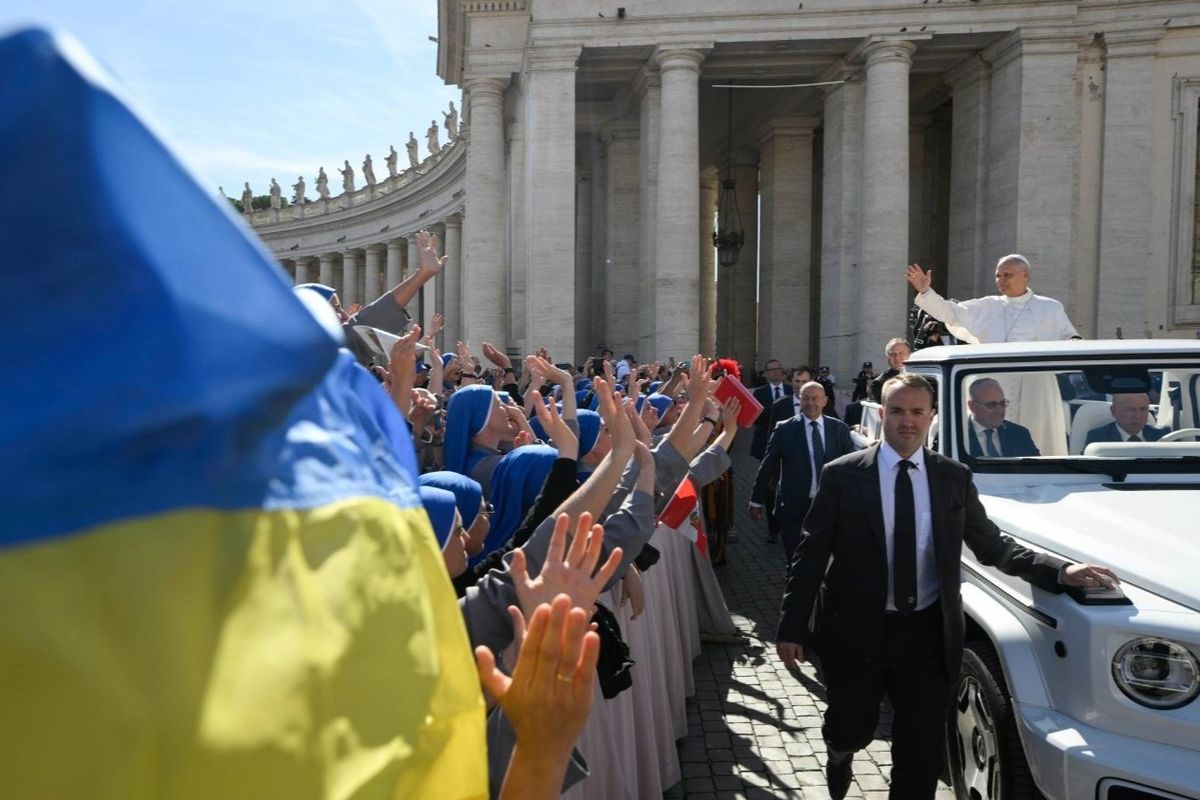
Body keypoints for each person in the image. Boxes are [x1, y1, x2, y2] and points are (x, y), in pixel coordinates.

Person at [776, 373, 1119, 799]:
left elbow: (992, 545)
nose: (908, 421)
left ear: (932, 417)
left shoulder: (951, 477)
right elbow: (810, 554)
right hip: (855, 631)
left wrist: (1059, 571)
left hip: (926, 634)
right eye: (898, 411)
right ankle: (840, 752)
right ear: (882, 414)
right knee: (852, 727)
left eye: (918, 411)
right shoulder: (842, 475)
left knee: (920, 751)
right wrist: (792, 628)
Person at [750, 381, 855, 561]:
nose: (810, 403)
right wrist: (756, 500)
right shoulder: (784, 429)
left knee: (825, 556)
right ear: (800, 400)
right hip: (793, 506)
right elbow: (767, 464)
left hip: (827, 504)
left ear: (825, 401)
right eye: (805, 398)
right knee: (794, 556)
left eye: (815, 398)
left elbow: (851, 467)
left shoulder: (839, 429)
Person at [906, 254, 1079, 345]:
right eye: (997, 275)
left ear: (1025, 275)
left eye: (1007, 275)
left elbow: (1071, 342)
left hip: (1036, 387)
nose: (1001, 280)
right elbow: (949, 312)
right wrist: (925, 291)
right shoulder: (987, 306)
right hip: (993, 385)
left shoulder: (1050, 308)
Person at [965, 378, 1040, 457]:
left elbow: (1037, 467)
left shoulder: (1020, 434)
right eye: (991, 405)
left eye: (1002, 403)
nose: (999, 410)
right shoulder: (958, 435)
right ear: (972, 406)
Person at [1084, 393, 1169, 446]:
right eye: (1130, 409)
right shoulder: (1098, 438)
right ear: (1114, 411)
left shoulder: (1162, 435)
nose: (1137, 416)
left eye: (1143, 409)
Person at [868, 338, 910, 403]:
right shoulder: (879, 383)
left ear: (909, 355)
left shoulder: (922, 375)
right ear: (887, 357)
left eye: (901, 353)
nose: (897, 358)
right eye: (892, 354)